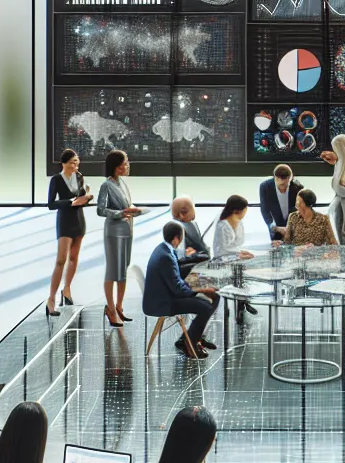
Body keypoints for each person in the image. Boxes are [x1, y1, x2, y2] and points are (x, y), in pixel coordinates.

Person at [144, 221, 221, 357]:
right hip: (163, 302)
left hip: (165, 294)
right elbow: (178, 290)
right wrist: (200, 289)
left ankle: (193, 337)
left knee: (214, 297)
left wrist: (193, 259)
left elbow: (176, 267)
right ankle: (190, 344)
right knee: (206, 306)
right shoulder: (165, 256)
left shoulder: (163, 248)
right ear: (176, 238)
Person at [96, 149, 144, 327]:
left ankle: (119, 306)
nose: (128, 165)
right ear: (117, 167)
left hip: (127, 228)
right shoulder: (106, 185)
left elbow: (126, 205)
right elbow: (101, 210)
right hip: (114, 230)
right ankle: (110, 308)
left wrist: (133, 210)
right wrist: (120, 213)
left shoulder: (122, 183)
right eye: (125, 162)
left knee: (123, 268)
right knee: (112, 270)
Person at [45, 148, 94, 316]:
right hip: (65, 221)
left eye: (77, 161)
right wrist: (70, 202)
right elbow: (51, 204)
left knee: (74, 258)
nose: (76, 164)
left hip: (79, 221)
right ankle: (51, 299)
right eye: (73, 162)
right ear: (64, 163)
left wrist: (87, 197)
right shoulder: (56, 180)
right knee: (61, 259)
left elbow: (82, 199)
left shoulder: (79, 177)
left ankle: (67, 290)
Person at [212, 195, 260, 322]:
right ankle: (241, 302)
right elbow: (223, 248)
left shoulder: (238, 222)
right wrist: (239, 253)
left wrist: (241, 253)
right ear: (236, 210)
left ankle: (243, 300)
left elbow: (238, 243)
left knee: (246, 267)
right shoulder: (222, 225)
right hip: (221, 259)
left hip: (232, 256)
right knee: (239, 271)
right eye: (244, 209)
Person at [258, 164, 303, 242]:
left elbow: (300, 209)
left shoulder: (297, 187)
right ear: (275, 178)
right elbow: (265, 210)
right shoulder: (265, 186)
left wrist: (290, 227)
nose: (283, 188)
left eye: (285, 185)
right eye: (280, 185)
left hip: (292, 227)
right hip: (275, 227)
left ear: (290, 178)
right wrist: (275, 227)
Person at [169, 196, 211, 268]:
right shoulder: (179, 228)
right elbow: (180, 256)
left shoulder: (192, 224)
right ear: (182, 213)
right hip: (186, 262)